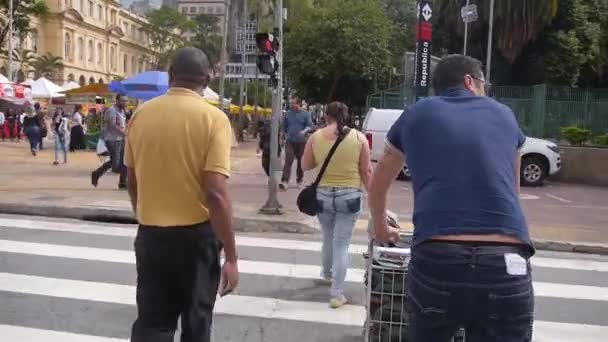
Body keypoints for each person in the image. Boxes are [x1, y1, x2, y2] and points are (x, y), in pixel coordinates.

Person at [368, 55, 533, 342]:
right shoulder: (504, 115)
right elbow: (512, 190)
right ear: (470, 81)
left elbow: (380, 178)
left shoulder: (418, 113)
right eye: (484, 84)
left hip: (438, 257)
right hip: (505, 260)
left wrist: (380, 226)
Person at [126, 47, 239, 342]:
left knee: (152, 323)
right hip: (196, 239)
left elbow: (132, 179)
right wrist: (232, 256)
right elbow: (216, 193)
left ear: (170, 76)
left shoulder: (141, 114)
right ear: (207, 79)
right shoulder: (214, 119)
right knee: (196, 322)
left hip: (151, 235)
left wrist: (144, 214)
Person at [301, 102, 372, 308]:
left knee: (328, 236)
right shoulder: (359, 138)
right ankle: (337, 293)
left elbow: (306, 165)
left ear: (326, 116)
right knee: (341, 243)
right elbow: (366, 172)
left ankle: (326, 273)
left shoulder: (315, 137)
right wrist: (374, 196)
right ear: (346, 116)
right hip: (349, 195)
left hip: (323, 195)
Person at [91, 94, 128, 189]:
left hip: (121, 139)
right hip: (112, 139)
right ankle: (96, 174)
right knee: (115, 165)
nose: (125, 103)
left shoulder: (122, 111)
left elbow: (123, 124)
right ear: (117, 101)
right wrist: (123, 132)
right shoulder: (111, 110)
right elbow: (112, 124)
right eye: (123, 101)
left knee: (124, 161)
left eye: (126, 101)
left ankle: (123, 183)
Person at [279, 96, 312, 191]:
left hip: (302, 142)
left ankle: (299, 180)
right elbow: (284, 128)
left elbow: (309, 126)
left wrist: (304, 131)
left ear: (298, 104)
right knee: (288, 161)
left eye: (293, 103)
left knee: (300, 163)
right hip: (290, 141)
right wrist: (283, 137)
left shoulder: (306, 114)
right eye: (290, 103)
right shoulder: (288, 114)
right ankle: (285, 181)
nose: (291, 105)